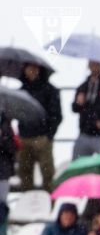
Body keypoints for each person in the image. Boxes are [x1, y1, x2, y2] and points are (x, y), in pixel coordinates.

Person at [17, 63, 61, 191]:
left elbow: (56, 115)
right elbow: (15, 112)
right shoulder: (21, 91)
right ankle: (27, 202)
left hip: (43, 138)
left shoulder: (49, 90)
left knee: (48, 173)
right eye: (29, 68)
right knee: (24, 172)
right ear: (24, 70)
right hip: (25, 138)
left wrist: (49, 135)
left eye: (35, 68)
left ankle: (49, 202)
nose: (32, 71)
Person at [0, 114, 13, 235]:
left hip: (2, 174)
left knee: (2, 208)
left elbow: (11, 148)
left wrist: (2, 138)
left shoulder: (6, 126)